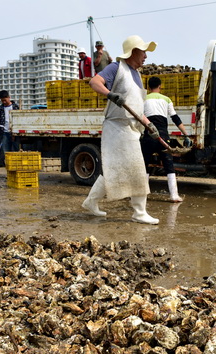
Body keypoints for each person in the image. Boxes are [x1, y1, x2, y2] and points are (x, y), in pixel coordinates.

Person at [83, 35, 160, 225]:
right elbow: (94, 82)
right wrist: (110, 94)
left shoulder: (137, 75)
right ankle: (139, 212)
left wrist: (148, 124)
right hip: (117, 127)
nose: (145, 56)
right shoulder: (116, 68)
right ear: (133, 51)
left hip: (132, 128)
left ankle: (90, 202)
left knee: (114, 169)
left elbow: (135, 107)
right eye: (143, 52)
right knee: (137, 169)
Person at [141, 76, 192, 202]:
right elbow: (175, 118)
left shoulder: (143, 99)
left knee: (144, 165)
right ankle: (174, 195)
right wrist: (185, 134)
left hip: (148, 135)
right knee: (169, 165)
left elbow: (139, 117)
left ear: (148, 87)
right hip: (163, 137)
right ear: (160, 86)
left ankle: (142, 195)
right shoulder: (166, 99)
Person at [0, 90, 20, 163]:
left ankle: (16, 163)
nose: (4, 102)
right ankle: (9, 164)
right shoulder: (0, 109)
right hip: (4, 133)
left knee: (16, 149)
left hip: (15, 132)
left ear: (9, 97)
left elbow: (19, 120)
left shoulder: (15, 107)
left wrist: (16, 131)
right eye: (2, 101)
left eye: (5, 100)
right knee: (6, 150)